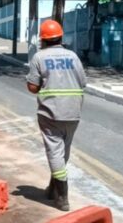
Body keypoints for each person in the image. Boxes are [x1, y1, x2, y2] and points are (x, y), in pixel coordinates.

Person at [26, 19, 87, 211]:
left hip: (51, 113)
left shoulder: (39, 57)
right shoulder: (73, 57)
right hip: (73, 112)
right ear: (60, 37)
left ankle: (62, 196)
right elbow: (83, 82)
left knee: (54, 151)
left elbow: (33, 87)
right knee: (62, 153)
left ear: (43, 40)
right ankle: (53, 189)